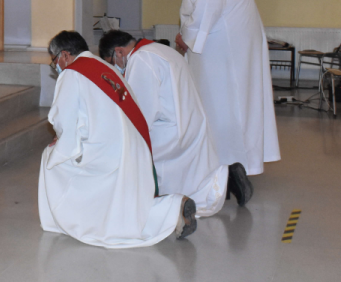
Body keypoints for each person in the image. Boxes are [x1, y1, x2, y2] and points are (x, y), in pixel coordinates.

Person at [39, 30, 197, 247]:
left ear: (65, 55)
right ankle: (172, 208)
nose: (56, 66)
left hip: (110, 153)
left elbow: (63, 121)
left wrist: (61, 145)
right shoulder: (106, 67)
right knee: (124, 205)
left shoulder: (72, 73)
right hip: (137, 147)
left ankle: (67, 220)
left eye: (54, 60)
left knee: (51, 162)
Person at [161, 0, 281, 176]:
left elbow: (208, 8)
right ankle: (229, 165)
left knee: (225, 108)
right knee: (226, 108)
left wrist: (186, 38)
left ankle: (230, 167)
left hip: (224, 57)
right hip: (224, 53)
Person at [99, 30, 252, 216]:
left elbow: (141, 112)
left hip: (171, 132)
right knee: (193, 177)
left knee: (138, 160)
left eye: (112, 63)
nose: (117, 70)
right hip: (192, 123)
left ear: (119, 52)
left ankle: (171, 206)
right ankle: (228, 178)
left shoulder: (141, 60)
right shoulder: (161, 49)